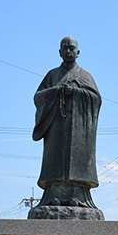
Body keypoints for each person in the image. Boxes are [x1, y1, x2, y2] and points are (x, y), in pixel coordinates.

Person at [31, 36, 102, 211]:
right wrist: (56, 92)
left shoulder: (85, 76)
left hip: (78, 128)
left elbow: (96, 100)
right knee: (55, 159)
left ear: (78, 52)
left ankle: (78, 196)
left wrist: (76, 93)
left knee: (77, 162)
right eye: (65, 48)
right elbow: (38, 97)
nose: (68, 51)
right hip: (56, 127)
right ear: (60, 52)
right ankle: (53, 194)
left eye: (72, 48)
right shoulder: (52, 75)